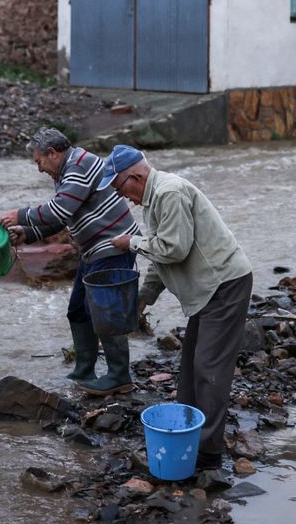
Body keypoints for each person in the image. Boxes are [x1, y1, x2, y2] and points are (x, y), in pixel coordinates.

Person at [101, 145, 252, 472]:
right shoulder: (153, 202)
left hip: (224, 285)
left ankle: (208, 455)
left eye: (119, 188)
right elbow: (161, 257)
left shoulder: (169, 193)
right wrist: (144, 298)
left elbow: (174, 249)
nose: (122, 197)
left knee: (209, 370)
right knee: (190, 371)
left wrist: (131, 243)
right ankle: (185, 435)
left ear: (136, 177)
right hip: (206, 290)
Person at [0, 129, 141, 396]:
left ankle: (119, 376)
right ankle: (84, 369)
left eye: (39, 161)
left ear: (53, 153)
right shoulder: (66, 171)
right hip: (93, 250)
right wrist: (27, 233)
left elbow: (60, 208)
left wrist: (19, 214)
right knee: (78, 309)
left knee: (107, 314)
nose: (39, 169)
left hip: (113, 247)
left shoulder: (80, 164)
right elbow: (64, 218)